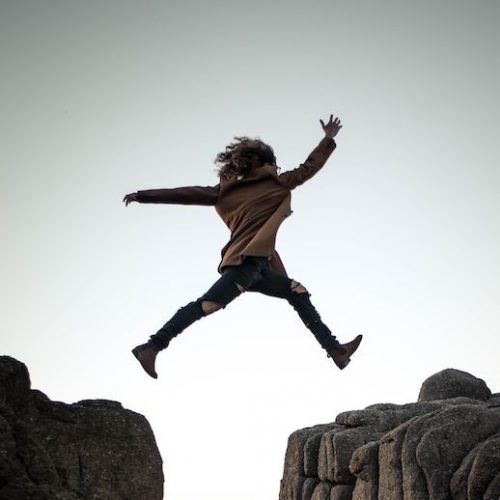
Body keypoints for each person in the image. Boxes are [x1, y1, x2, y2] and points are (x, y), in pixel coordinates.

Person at [123, 115, 362, 379]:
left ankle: (335, 350)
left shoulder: (224, 191)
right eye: (272, 162)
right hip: (244, 264)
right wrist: (328, 139)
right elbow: (309, 167)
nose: (275, 166)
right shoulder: (275, 182)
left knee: (297, 291)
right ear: (265, 163)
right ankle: (152, 346)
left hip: (259, 266)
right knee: (208, 304)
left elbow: (184, 193)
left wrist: (143, 196)